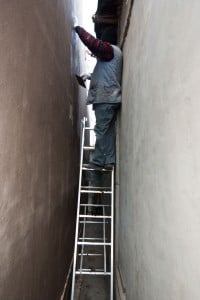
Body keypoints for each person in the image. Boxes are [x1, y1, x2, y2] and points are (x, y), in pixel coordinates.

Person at [74, 25, 122, 170]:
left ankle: (98, 161)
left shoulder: (110, 50)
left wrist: (79, 30)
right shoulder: (114, 54)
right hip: (111, 98)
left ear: (107, 40)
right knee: (107, 132)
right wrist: (89, 76)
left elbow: (94, 44)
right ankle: (109, 160)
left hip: (105, 98)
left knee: (101, 130)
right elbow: (107, 74)